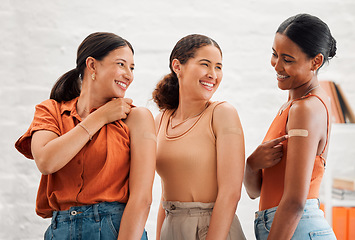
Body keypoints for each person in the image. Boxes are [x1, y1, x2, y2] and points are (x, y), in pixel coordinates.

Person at [15, 32, 155, 240]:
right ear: (92, 65)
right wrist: (99, 118)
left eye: (132, 68)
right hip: (60, 230)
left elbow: (142, 199)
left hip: (116, 230)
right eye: (121, 64)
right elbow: (46, 161)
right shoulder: (50, 110)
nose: (129, 75)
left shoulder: (136, 117)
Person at [244, 14, 337, 239]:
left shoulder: (306, 109)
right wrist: (251, 165)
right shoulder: (294, 105)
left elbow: (295, 201)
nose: (277, 65)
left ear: (316, 61)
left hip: (296, 227)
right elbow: (255, 192)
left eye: (287, 59)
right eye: (274, 54)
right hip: (288, 226)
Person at [152, 34, 246, 240]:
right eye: (205, 64)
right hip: (172, 226)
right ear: (177, 66)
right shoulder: (160, 120)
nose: (213, 74)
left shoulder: (222, 113)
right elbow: (165, 194)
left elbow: (231, 194)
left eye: (218, 67)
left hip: (212, 229)